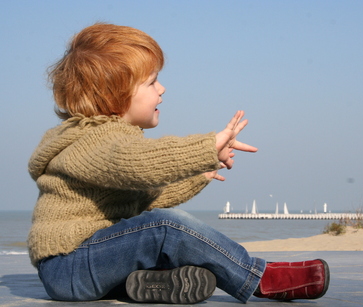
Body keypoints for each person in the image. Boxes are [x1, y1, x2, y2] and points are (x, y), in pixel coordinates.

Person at [28, 23, 329, 304]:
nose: (162, 89)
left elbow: (150, 195)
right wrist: (207, 146)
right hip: (70, 264)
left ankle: (151, 283)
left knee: (164, 232)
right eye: (152, 82)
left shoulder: (109, 139)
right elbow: (139, 163)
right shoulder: (91, 143)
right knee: (167, 226)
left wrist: (202, 171)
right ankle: (260, 277)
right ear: (114, 94)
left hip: (88, 262)